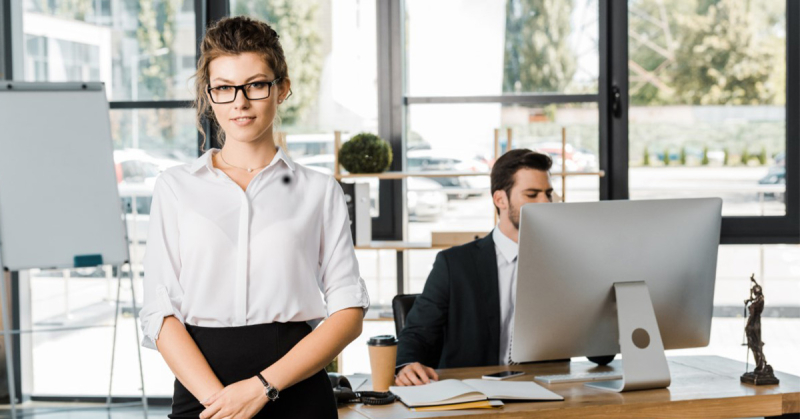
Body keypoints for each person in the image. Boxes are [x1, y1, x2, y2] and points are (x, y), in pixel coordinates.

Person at [138, 16, 369, 419]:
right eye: (224, 88)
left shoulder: (318, 190)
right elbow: (159, 311)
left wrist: (262, 387)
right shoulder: (175, 187)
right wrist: (222, 402)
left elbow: (348, 311)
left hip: (296, 389)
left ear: (282, 88)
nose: (239, 102)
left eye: (255, 85)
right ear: (209, 96)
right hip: (203, 392)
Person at [395, 149, 612, 386]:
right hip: (473, 395)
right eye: (532, 194)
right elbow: (417, 333)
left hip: (545, 394)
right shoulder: (454, 265)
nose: (545, 203)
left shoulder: (566, 264)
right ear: (500, 200)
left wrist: (599, 281)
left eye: (548, 194)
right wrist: (406, 365)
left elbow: (601, 354)